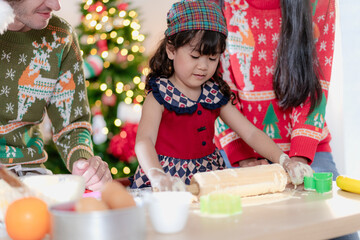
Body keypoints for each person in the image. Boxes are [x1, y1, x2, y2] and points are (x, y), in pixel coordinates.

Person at [130, 0, 313, 191]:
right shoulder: (159, 95)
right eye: (195, 56)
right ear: (171, 50)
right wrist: (156, 174)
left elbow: (250, 132)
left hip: (208, 177)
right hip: (167, 179)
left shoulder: (214, 93)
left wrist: (284, 160)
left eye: (212, 58)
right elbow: (144, 141)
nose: (203, 66)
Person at [214, 1, 359, 239]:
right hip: (238, 154)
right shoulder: (218, 4)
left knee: (339, 233)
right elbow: (216, 89)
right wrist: (243, 157)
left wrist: (297, 162)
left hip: (308, 151)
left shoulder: (319, 3)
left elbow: (315, 87)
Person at [0, 0, 112, 191]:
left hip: (31, 177)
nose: (55, 5)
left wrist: (84, 164)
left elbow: (72, 124)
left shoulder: (61, 36)